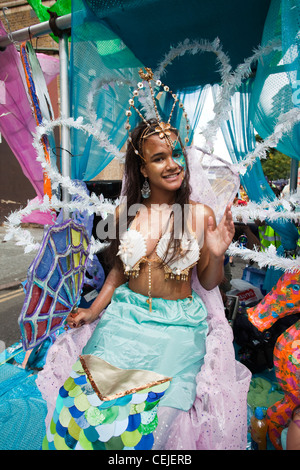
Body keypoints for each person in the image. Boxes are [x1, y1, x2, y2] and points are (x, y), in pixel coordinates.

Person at [37, 69, 251, 450]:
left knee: (154, 422)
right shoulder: (125, 214)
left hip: (177, 327)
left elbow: (209, 281)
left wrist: (216, 254)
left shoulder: (200, 215)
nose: (173, 164)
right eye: (160, 158)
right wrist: (94, 310)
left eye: (177, 154)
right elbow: (118, 272)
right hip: (123, 318)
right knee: (86, 410)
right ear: (142, 168)